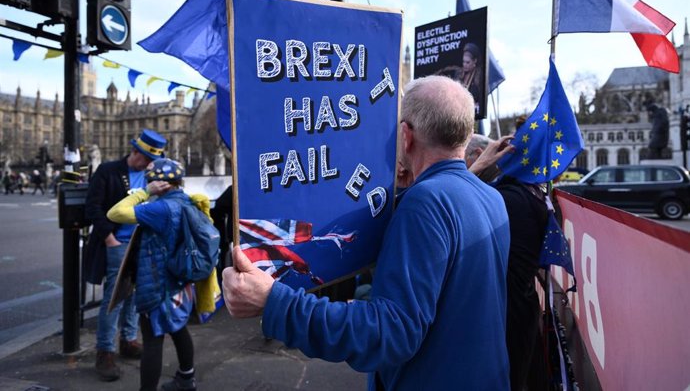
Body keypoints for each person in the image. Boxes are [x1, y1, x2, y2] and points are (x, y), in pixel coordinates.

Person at [223, 75, 511, 390]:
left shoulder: (425, 203)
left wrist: (275, 301)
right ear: (466, 134)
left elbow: (390, 334)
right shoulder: (490, 196)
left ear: (406, 135)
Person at [107, 158, 209, 391]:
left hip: (157, 284)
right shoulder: (185, 201)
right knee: (177, 327)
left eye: (151, 181)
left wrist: (144, 192)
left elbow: (115, 213)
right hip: (179, 281)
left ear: (159, 184)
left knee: (153, 340)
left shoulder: (159, 208)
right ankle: (186, 378)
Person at [465, 133, 550, 391]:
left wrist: (473, 172)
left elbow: (448, 198)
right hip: (518, 310)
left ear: (478, 156)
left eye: (462, 161)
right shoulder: (521, 192)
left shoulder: (500, 198)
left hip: (504, 316)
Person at [84, 129, 167, 381]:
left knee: (134, 294)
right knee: (115, 297)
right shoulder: (109, 171)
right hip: (117, 242)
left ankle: (128, 339)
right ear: (134, 152)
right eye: (145, 159)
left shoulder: (151, 174)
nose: (149, 165)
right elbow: (93, 207)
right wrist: (108, 237)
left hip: (142, 241)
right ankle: (105, 350)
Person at [459, 42, 484, 115]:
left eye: (467, 62)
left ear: (475, 61)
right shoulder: (458, 75)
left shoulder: (479, 77)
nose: (465, 65)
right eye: (463, 62)